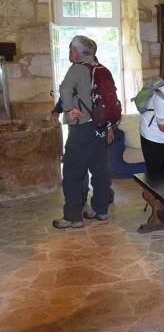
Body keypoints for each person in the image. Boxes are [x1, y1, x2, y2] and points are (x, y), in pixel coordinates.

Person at [53, 36, 110, 229]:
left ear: (77, 52)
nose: (70, 54)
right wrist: (109, 127)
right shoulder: (101, 69)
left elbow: (65, 89)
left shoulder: (77, 68)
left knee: (71, 172)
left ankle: (73, 217)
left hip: (81, 127)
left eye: (70, 50)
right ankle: (100, 210)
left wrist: (69, 109)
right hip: (100, 127)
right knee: (100, 170)